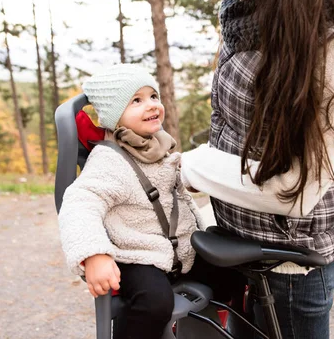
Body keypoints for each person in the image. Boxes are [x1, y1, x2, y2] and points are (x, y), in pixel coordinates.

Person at [176, 0, 334, 338]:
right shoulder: (262, 1)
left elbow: (296, 189)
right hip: (247, 239)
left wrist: (190, 166)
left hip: (289, 263)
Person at [58, 64, 245, 339]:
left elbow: (178, 194)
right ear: (114, 115)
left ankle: (207, 331)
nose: (152, 105)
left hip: (177, 251)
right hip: (137, 254)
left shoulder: (158, 145)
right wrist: (93, 254)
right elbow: (79, 202)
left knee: (235, 273)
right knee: (153, 303)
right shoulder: (109, 161)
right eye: (136, 100)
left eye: (153, 96)